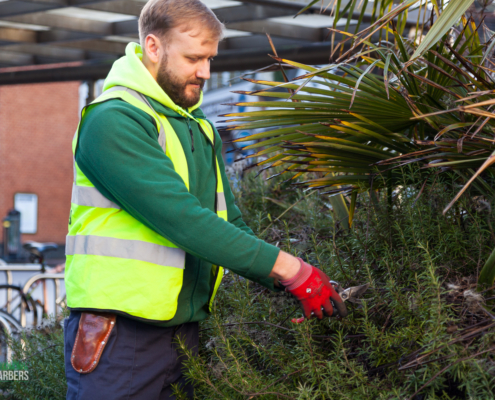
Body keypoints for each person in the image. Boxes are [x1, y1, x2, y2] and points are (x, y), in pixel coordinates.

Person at [63, 0, 346, 398]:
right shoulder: (112, 120)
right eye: (194, 57)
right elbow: (184, 219)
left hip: (182, 333)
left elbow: (227, 221)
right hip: (120, 336)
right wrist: (291, 270)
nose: (205, 72)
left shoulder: (197, 126)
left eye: (210, 58)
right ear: (153, 47)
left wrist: (289, 284)